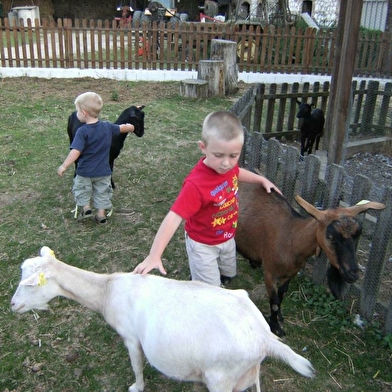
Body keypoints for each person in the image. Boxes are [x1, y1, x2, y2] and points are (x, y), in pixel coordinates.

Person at [133, 110, 281, 286]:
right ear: (203, 147)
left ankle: (222, 278)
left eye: (233, 155)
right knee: (209, 289)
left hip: (227, 237)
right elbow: (174, 217)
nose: (226, 163)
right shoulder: (196, 185)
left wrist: (261, 179)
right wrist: (154, 255)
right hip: (203, 245)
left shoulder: (227, 167)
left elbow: (237, 172)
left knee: (228, 272)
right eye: (218, 155)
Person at [58, 92, 135, 225]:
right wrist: (131, 127)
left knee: (82, 189)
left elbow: (75, 152)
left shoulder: (82, 132)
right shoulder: (107, 126)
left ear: (83, 113)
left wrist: (64, 165)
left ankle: (86, 208)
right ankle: (101, 215)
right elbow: (122, 128)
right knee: (102, 193)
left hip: (85, 172)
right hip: (103, 172)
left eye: (77, 111)